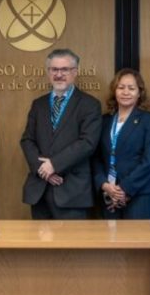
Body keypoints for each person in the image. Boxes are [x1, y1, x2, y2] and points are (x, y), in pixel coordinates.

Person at [21, 48, 102, 219]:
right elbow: (27, 140)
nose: (59, 74)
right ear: (48, 72)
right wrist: (43, 170)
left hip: (72, 192)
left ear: (75, 72)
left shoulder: (90, 104)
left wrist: (54, 164)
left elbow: (87, 143)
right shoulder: (38, 104)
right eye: (54, 69)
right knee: (40, 245)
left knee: (71, 246)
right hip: (40, 191)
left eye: (64, 69)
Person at [92, 69, 150, 219]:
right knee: (111, 241)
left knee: (137, 242)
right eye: (121, 87)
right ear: (114, 91)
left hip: (139, 195)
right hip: (108, 193)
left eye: (131, 88)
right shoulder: (104, 121)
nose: (126, 92)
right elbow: (96, 157)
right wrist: (104, 184)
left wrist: (123, 189)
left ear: (139, 93)